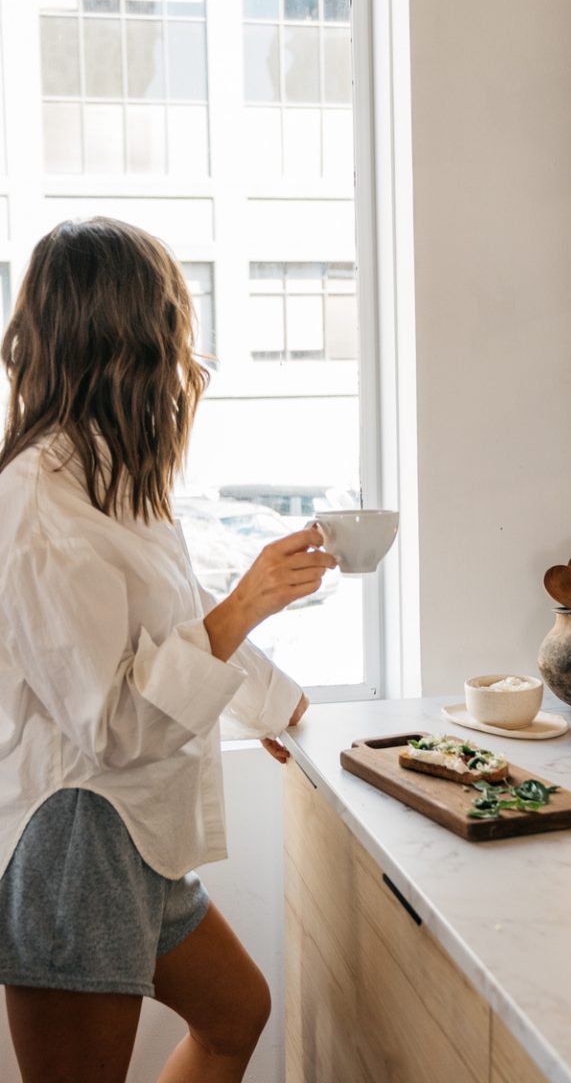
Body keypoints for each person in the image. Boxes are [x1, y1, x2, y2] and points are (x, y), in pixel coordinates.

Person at [0, 216, 337, 1083]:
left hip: (135, 830)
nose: (189, 357)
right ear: (126, 341)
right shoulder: (39, 507)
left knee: (237, 1015)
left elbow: (172, 626)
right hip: (77, 836)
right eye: (176, 327)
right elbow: (110, 723)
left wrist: (279, 705)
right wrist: (247, 604)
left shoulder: (114, 474)